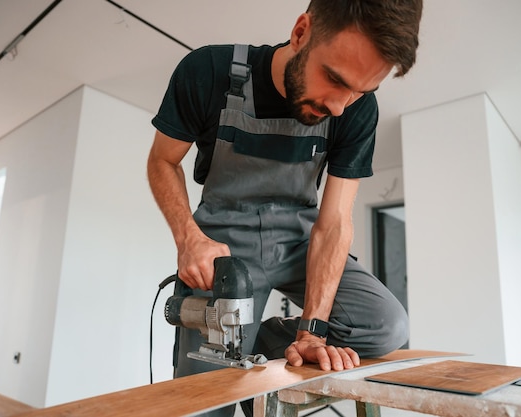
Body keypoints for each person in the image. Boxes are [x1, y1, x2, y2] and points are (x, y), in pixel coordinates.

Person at [148, 0, 422, 415]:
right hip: (223, 252)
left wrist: (313, 332)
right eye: (334, 79)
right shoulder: (208, 70)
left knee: (387, 326)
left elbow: (333, 225)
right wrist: (188, 238)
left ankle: (259, 338)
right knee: (205, 402)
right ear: (300, 33)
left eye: (361, 91)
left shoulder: (354, 109)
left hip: (300, 241)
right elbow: (162, 161)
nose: (339, 106)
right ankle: (239, 340)